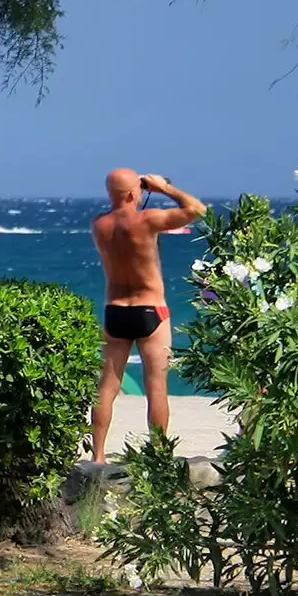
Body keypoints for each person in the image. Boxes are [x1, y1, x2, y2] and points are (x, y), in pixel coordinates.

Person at [89, 168, 206, 461]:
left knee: (107, 387)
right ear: (133, 193)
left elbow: (123, 224)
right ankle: (157, 455)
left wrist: (135, 191)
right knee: (156, 386)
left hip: (115, 311)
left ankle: (98, 455)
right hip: (150, 310)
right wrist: (164, 187)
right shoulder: (149, 219)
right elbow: (197, 210)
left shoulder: (99, 225)